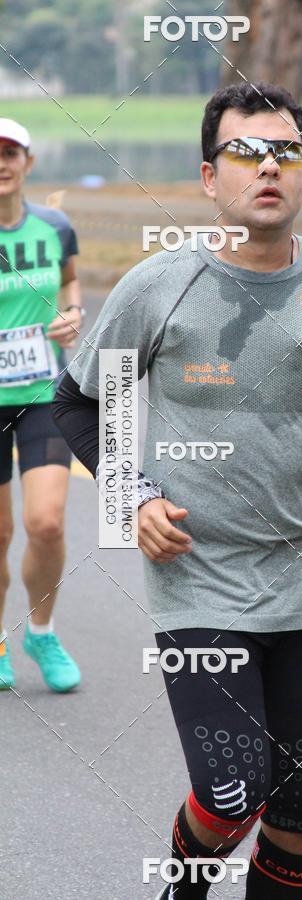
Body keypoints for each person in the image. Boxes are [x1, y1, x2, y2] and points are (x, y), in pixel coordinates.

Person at [52, 82, 302, 899]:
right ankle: (185, 887)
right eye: (245, 153)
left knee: (300, 815)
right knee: (231, 793)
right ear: (209, 177)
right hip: (201, 576)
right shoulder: (160, 286)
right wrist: (132, 493)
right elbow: (79, 402)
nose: (268, 168)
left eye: (286, 152)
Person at [0, 118, 82, 692]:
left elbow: (72, 283)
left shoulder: (55, 228)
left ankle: (42, 630)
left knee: (46, 524)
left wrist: (72, 315)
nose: (1, 164)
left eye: (10, 153)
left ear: (28, 162)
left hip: (42, 396)